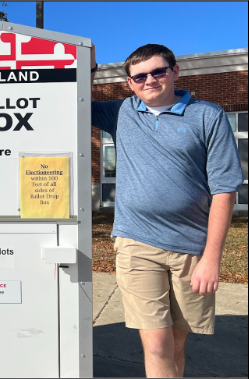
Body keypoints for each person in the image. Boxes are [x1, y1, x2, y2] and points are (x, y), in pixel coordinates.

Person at [90, 43, 243, 377]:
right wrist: (88, 67)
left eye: (158, 71)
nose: (149, 80)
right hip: (136, 244)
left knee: (175, 345)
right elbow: (73, 101)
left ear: (174, 72)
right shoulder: (122, 112)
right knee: (157, 345)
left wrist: (211, 259)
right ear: (129, 83)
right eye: (139, 76)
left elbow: (224, 190)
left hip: (191, 248)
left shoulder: (208, 116)